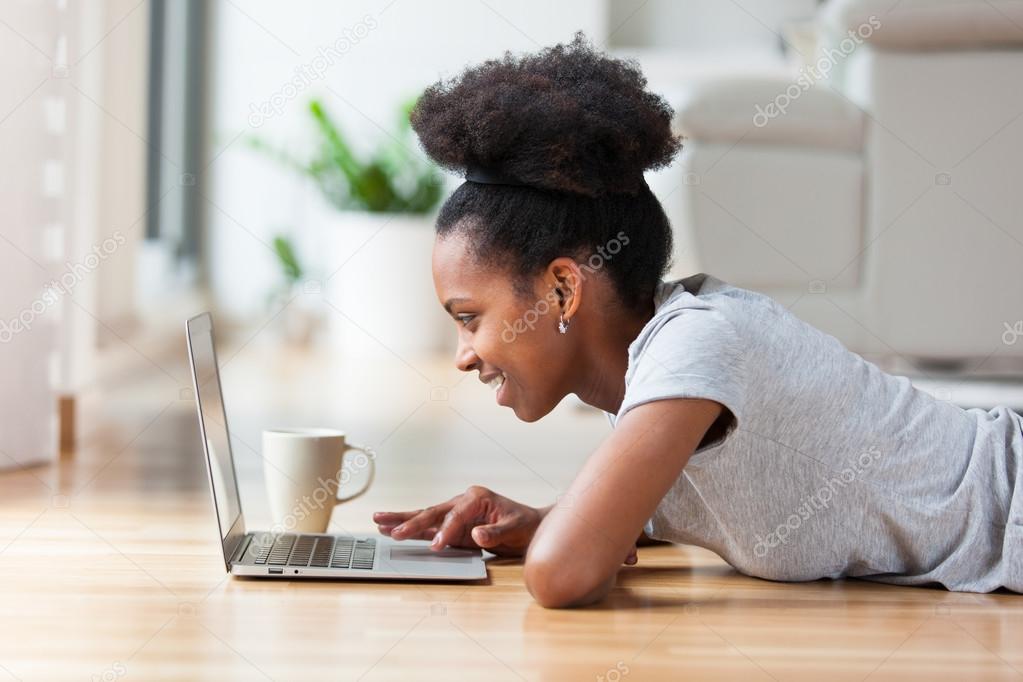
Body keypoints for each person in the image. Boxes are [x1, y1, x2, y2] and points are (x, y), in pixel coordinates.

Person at [372, 32, 1022, 608]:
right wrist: (545, 517)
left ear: (563, 289)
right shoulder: (651, 368)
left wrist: (561, 537)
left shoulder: (697, 343)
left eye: (468, 317)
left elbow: (562, 576)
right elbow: (637, 521)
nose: (462, 354)